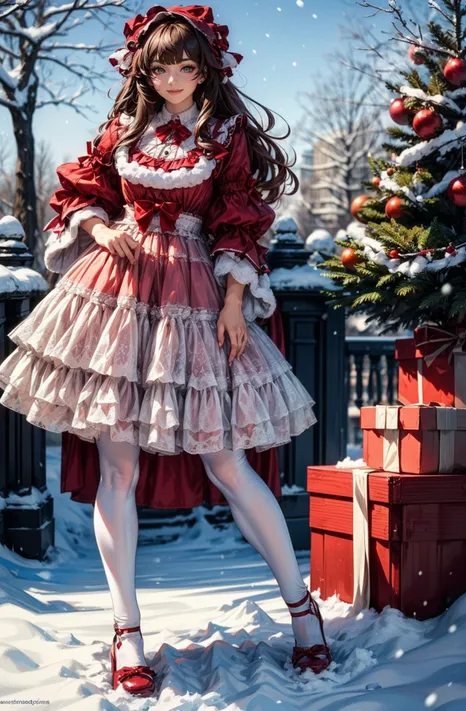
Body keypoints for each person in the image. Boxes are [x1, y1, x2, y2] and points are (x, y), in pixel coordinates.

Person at [0, 4, 331, 697]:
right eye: (162, 65)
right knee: (116, 463)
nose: (175, 77)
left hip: (194, 296)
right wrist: (99, 224)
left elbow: (239, 210)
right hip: (119, 299)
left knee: (229, 461)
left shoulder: (224, 132)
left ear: (205, 65)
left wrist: (237, 297)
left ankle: (304, 614)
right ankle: (127, 632)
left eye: (186, 65)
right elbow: (77, 190)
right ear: (142, 69)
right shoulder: (124, 127)